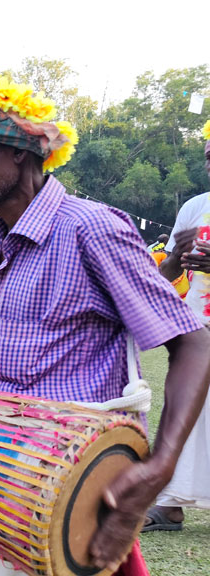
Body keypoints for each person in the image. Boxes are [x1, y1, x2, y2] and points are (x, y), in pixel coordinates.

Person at [0, 75, 210, 576]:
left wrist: (159, 467)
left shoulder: (91, 228)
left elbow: (194, 344)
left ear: (20, 151)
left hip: (54, 487)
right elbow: (5, 365)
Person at [146, 121, 210, 532]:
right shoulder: (195, 206)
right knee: (187, 407)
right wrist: (177, 258)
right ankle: (170, 504)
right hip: (198, 323)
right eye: (208, 154)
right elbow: (167, 270)